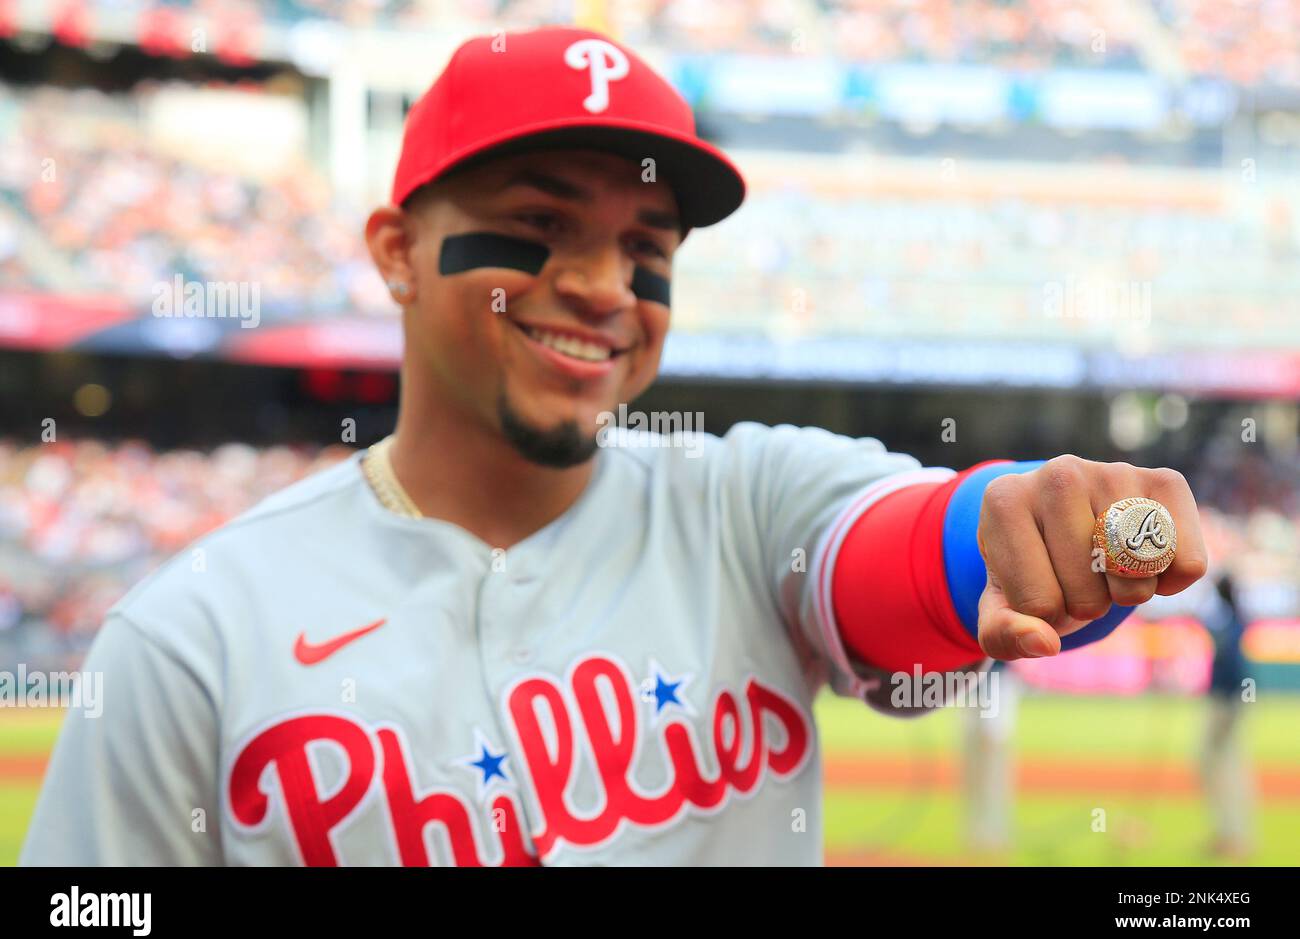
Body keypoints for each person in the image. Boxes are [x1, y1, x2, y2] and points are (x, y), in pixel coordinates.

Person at [20, 26, 1207, 865]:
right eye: (539, 225)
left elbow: (910, 551)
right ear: (393, 249)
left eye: (648, 245)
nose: (600, 286)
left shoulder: (746, 503)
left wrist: (1026, 527)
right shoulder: (192, 636)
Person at [1200, 574, 1255, 860]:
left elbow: (1230, 666)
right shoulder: (1233, 619)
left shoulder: (1229, 623)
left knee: (1219, 767)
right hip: (1231, 701)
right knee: (1224, 765)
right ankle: (1229, 836)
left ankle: (1233, 838)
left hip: (1227, 702)